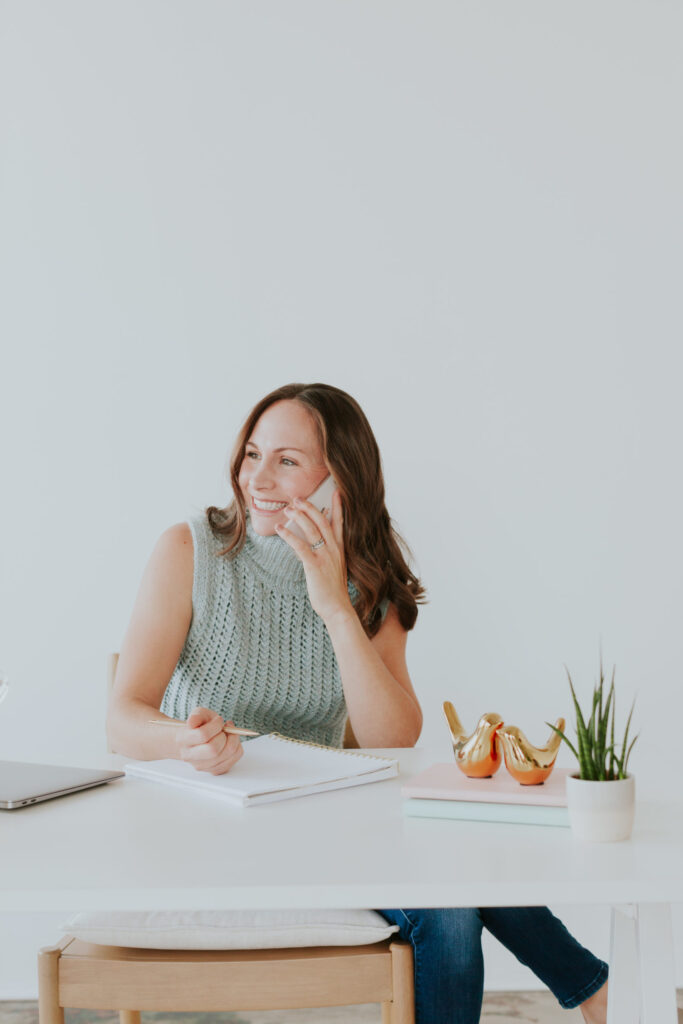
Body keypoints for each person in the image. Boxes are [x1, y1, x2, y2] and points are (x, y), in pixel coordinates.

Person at [107, 382, 609, 1024]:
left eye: (287, 461)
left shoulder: (365, 573)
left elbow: (394, 737)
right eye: (253, 453)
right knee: (455, 878)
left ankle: (593, 990)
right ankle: (592, 989)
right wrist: (183, 740)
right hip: (206, 822)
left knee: (451, 908)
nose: (257, 476)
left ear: (336, 481)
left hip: (321, 826)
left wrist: (334, 606)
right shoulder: (190, 549)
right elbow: (123, 716)